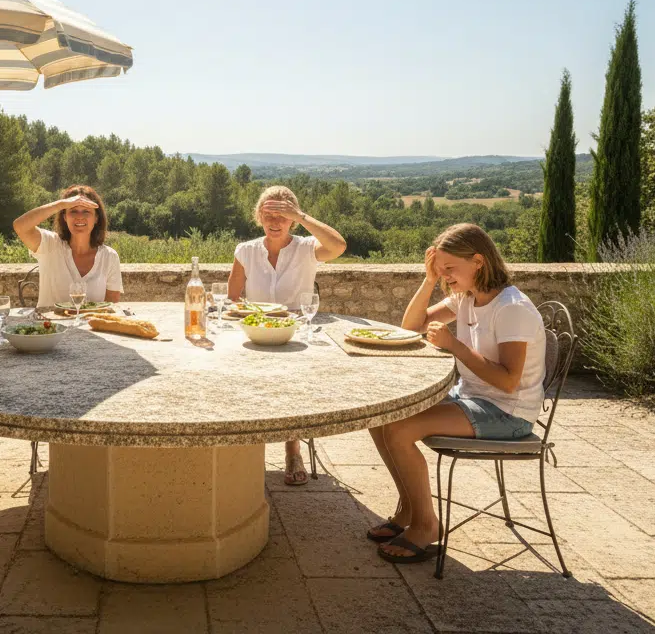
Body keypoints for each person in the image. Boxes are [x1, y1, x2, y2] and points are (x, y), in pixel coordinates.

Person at [368, 223, 547, 563]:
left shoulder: (511, 308)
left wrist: (456, 347)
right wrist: (429, 279)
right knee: (380, 416)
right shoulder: (468, 298)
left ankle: (425, 526)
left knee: (399, 429)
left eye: (450, 269)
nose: (446, 275)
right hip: (472, 399)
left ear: (478, 261)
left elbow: (509, 382)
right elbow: (410, 327)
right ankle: (408, 510)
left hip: (509, 412)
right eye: (441, 269)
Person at [228, 185, 347, 486]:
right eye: (269, 213)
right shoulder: (246, 250)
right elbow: (232, 299)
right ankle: (245, 450)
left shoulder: (307, 248)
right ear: (259, 216)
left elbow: (339, 246)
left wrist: (302, 215)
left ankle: (292, 449)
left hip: (295, 336)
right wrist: (250, 317)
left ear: (292, 219)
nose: (275, 220)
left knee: (292, 378)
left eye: (283, 214)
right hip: (256, 332)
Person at [13, 185, 123, 308]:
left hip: (89, 327)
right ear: (64, 216)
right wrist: (60, 205)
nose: (79, 216)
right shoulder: (49, 245)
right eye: (73, 210)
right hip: (49, 326)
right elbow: (20, 226)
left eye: (86, 211)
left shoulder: (109, 257)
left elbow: (110, 306)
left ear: (96, 218)